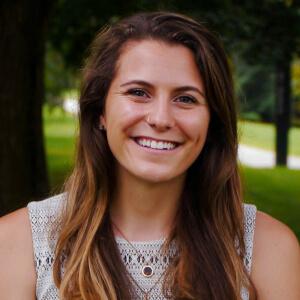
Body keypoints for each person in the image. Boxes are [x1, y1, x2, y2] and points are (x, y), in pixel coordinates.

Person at [0, 11, 299, 300]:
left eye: (185, 99)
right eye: (138, 92)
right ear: (100, 111)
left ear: (213, 121)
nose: (160, 118)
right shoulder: (18, 244)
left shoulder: (268, 249)